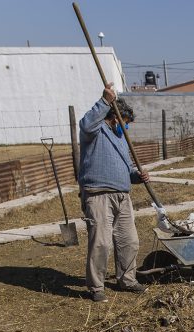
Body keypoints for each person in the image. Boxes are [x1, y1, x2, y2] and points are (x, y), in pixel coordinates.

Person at [78, 84, 150, 303]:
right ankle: (96, 287)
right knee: (101, 243)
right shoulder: (96, 131)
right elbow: (85, 124)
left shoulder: (120, 139)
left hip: (122, 196)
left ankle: (127, 279)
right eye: (125, 124)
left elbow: (127, 168)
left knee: (130, 240)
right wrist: (105, 101)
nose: (126, 129)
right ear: (115, 118)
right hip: (98, 194)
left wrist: (138, 176)